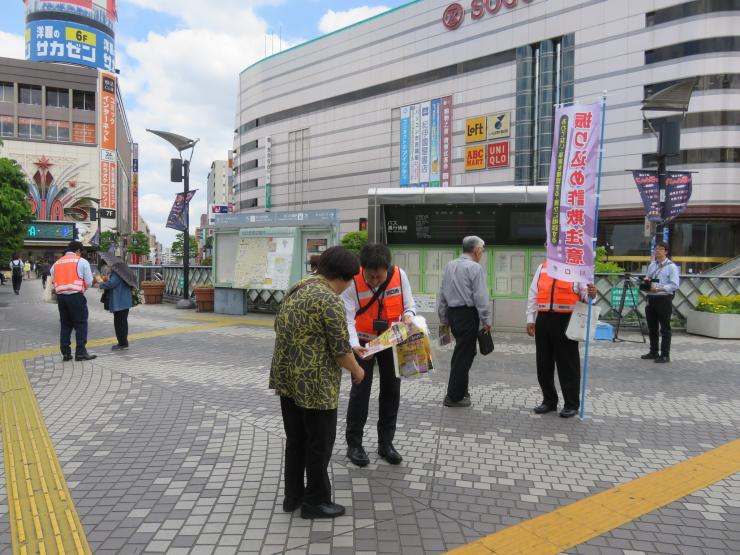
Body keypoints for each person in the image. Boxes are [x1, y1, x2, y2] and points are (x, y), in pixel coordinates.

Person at [269, 246, 365, 519]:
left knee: (297, 439)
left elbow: (281, 327)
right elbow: (339, 351)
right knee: (319, 444)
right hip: (315, 385)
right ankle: (315, 501)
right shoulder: (329, 299)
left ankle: (293, 496)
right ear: (345, 278)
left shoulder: (298, 287)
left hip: (287, 379)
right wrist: (357, 370)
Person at [342, 243, 417, 467]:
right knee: (360, 392)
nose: (374, 281)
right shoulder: (351, 282)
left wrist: (408, 316)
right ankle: (354, 445)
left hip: (391, 340)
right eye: (370, 276)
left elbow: (409, 305)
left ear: (388, 268)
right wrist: (355, 346)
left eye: (379, 276)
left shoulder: (399, 275)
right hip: (363, 343)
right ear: (362, 268)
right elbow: (347, 319)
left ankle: (386, 444)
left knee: (391, 392)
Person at [526, 262, 597, 418]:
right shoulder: (542, 267)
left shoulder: (577, 268)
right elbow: (533, 293)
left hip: (566, 320)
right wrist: (530, 318)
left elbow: (586, 295)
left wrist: (592, 293)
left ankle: (571, 404)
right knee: (543, 363)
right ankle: (549, 401)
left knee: (568, 364)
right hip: (543, 318)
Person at [437, 236, 492, 408]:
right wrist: (486, 319)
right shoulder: (475, 268)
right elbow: (480, 296)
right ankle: (454, 397)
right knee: (464, 355)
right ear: (476, 250)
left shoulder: (450, 265)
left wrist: (443, 318)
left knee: (463, 352)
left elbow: (442, 293)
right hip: (468, 314)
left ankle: (461, 390)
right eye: (482, 250)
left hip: (453, 314)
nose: (482, 253)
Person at [50, 241, 96, 362]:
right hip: (76, 296)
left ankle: (66, 353)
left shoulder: (57, 263)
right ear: (78, 251)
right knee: (81, 324)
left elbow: (52, 274)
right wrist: (82, 287)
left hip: (61, 298)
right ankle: (80, 353)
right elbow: (89, 281)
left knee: (65, 324)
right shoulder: (81, 261)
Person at [641, 241, 680, 364]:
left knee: (665, 328)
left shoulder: (671, 267)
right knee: (652, 327)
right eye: (656, 248)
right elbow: (650, 278)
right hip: (651, 298)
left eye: (660, 249)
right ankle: (653, 352)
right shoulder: (652, 265)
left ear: (666, 251)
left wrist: (658, 289)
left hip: (664, 299)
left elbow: (674, 285)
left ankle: (665, 355)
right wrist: (646, 282)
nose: (657, 251)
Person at [96, 260, 133, 350]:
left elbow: (112, 284)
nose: (106, 268)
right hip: (124, 302)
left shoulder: (117, 273)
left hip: (120, 302)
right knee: (121, 322)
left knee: (120, 323)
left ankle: (123, 344)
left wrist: (100, 284)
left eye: (106, 265)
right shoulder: (121, 273)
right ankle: (123, 343)